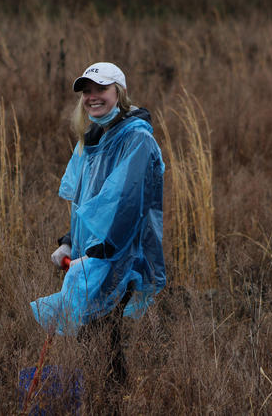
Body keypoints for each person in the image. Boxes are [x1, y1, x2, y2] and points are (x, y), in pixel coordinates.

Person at [30, 61, 166, 389]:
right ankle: (108, 399)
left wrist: (97, 253)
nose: (92, 97)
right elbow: (86, 203)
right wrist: (69, 242)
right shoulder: (94, 137)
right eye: (86, 91)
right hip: (94, 257)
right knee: (99, 338)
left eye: (100, 89)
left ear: (118, 92)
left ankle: (109, 402)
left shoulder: (135, 139)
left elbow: (129, 205)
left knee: (100, 338)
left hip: (120, 259)